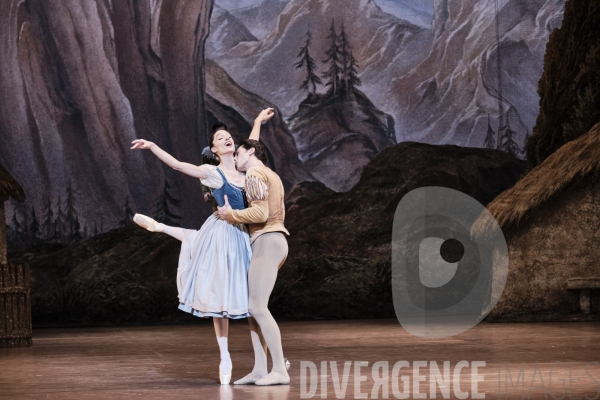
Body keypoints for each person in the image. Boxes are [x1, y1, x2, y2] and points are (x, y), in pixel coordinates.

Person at [129, 109, 275, 385]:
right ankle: (225, 356)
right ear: (215, 149)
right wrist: (152, 146)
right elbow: (178, 165)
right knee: (221, 298)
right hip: (222, 235)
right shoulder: (212, 172)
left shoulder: (246, 168)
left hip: (245, 236)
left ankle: (266, 362)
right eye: (221, 138)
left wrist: (256, 122)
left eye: (229, 136)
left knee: (253, 302)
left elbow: (252, 148)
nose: (228, 139)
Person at [217, 136, 291, 386]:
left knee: (258, 308)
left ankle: (280, 369)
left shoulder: (254, 174)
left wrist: (231, 214)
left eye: (238, 153)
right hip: (273, 240)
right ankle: (260, 369)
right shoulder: (271, 174)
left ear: (250, 152)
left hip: (267, 239)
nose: (235, 157)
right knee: (253, 309)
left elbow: (261, 213)